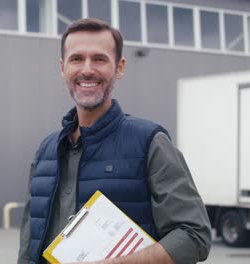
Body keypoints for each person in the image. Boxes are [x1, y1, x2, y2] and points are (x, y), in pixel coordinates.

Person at [17, 18, 211, 264]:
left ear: (119, 68)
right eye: (76, 59)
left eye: (99, 59)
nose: (87, 69)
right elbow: (29, 242)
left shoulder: (150, 142)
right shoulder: (46, 150)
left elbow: (194, 236)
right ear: (62, 67)